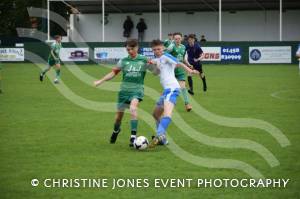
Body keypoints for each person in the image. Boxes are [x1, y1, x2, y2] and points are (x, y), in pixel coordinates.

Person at [94, 39, 152, 147]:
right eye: (128, 49)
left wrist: (155, 65)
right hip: (124, 92)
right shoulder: (123, 61)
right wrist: (100, 81)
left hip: (137, 90)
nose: (130, 51)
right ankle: (116, 131)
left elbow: (155, 71)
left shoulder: (144, 59)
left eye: (132, 49)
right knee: (118, 118)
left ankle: (133, 137)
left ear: (137, 47)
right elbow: (113, 73)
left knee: (133, 108)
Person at [149, 40, 199, 148]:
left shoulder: (166, 56)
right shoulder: (159, 60)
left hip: (172, 89)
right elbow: (155, 73)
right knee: (155, 114)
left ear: (163, 49)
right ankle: (163, 139)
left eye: (159, 49)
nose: (157, 51)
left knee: (167, 114)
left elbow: (179, 63)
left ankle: (159, 135)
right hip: (166, 91)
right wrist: (151, 64)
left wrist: (189, 70)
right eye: (154, 50)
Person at [166, 32, 192, 112]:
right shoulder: (171, 47)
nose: (177, 40)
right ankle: (168, 103)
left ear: (181, 39)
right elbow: (165, 57)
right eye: (176, 39)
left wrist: (188, 64)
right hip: (171, 70)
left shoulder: (183, 47)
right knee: (170, 88)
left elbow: (183, 58)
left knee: (183, 87)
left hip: (180, 70)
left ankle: (187, 104)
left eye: (179, 38)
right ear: (173, 39)